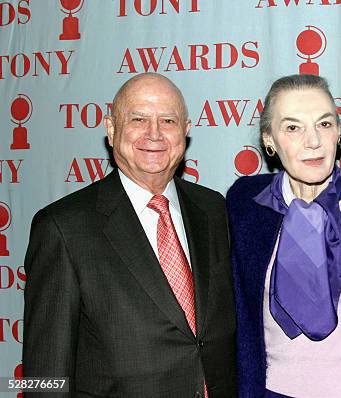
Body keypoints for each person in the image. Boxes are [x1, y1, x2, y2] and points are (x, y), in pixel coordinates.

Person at [23, 72, 236, 397]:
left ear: (186, 131)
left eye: (168, 120)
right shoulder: (62, 227)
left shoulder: (213, 208)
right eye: (138, 119)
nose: (154, 134)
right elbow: (45, 375)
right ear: (111, 129)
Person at [226, 74, 341, 398]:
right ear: (269, 140)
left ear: (338, 131)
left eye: (324, 124)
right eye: (292, 127)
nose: (313, 140)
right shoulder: (246, 205)